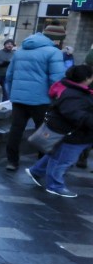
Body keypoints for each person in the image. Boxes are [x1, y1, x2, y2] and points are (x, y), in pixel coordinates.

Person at [4, 25, 66, 171]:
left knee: (16, 129)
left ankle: (12, 161)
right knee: (43, 131)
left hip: (18, 98)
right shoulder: (53, 52)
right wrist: (58, 98)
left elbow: (9, 76)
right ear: (56, 39)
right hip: (42, 99)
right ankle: (40, 163)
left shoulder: (20, 51)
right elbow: (56, 80)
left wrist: (13, 94)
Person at [25, 64, 93, 198]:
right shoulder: (74, 94)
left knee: (56, 154)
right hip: (73, 134)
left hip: (75, 133)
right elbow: (75, 114)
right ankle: (55, 186)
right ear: (86, 78)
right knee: (63, 161)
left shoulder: (77, 90)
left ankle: (36, 171)